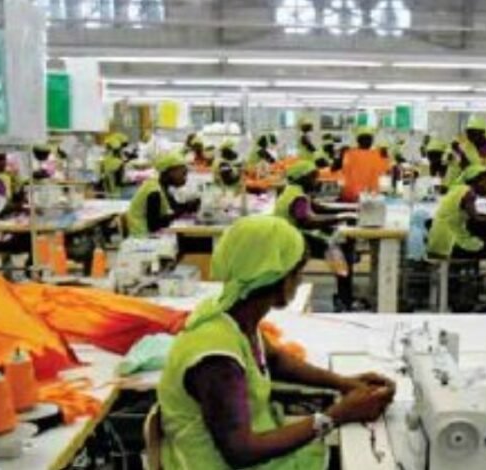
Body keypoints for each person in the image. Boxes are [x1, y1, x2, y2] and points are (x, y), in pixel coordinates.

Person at [158, 216, 395, 469]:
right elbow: (241, 452)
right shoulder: (217, 358)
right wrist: (336, 416)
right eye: (297, 272)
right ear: (278, 278)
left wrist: (344, 382)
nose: (300, 280)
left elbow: (274, 360)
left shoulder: (233, 314)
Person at [275, 161, 359, 311]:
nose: (316, 181)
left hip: (289, 235)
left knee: (341, 247)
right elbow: (307, 222)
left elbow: (317, 208)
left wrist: (349, 210)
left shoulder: (293, 191)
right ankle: (345, 300)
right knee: (340, 253)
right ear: (302, 178)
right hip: (293, 240)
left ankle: (344, 296)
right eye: (313, 178)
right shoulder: (297, 197)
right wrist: (341, 217)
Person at [428, 165, 486, 260]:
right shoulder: (468, 193)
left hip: (437, 241)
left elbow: (472, 214)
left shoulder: (458, 189)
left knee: (484, 234)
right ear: (475, 181)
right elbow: (477, 219)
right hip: (450, 244)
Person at [127, 152, 200, 237]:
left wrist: (189, 206)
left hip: (150, 233)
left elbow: (174, 208)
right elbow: (154, 225)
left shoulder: (162, 186)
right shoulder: (154, 192)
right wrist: (183, 210)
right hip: (142, 237)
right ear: (170, 172)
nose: (185, 179)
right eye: (183, 174)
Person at [341, 127, 390, 203]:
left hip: (368, 196)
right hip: (356, 196)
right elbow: (384, 170)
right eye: (364, 139)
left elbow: (385, 170)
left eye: (369, 139)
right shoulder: (349, 154)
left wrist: (385, 157)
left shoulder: (350, 153)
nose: (367, 141)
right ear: (358, 141)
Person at [101, 133, 129, 198]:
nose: (123, 147)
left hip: (110, 169)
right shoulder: (114, 142)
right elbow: (116, 149)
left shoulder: (114, 143)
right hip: (111, 170)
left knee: (111, 189)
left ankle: (112, 196)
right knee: (112, 188)